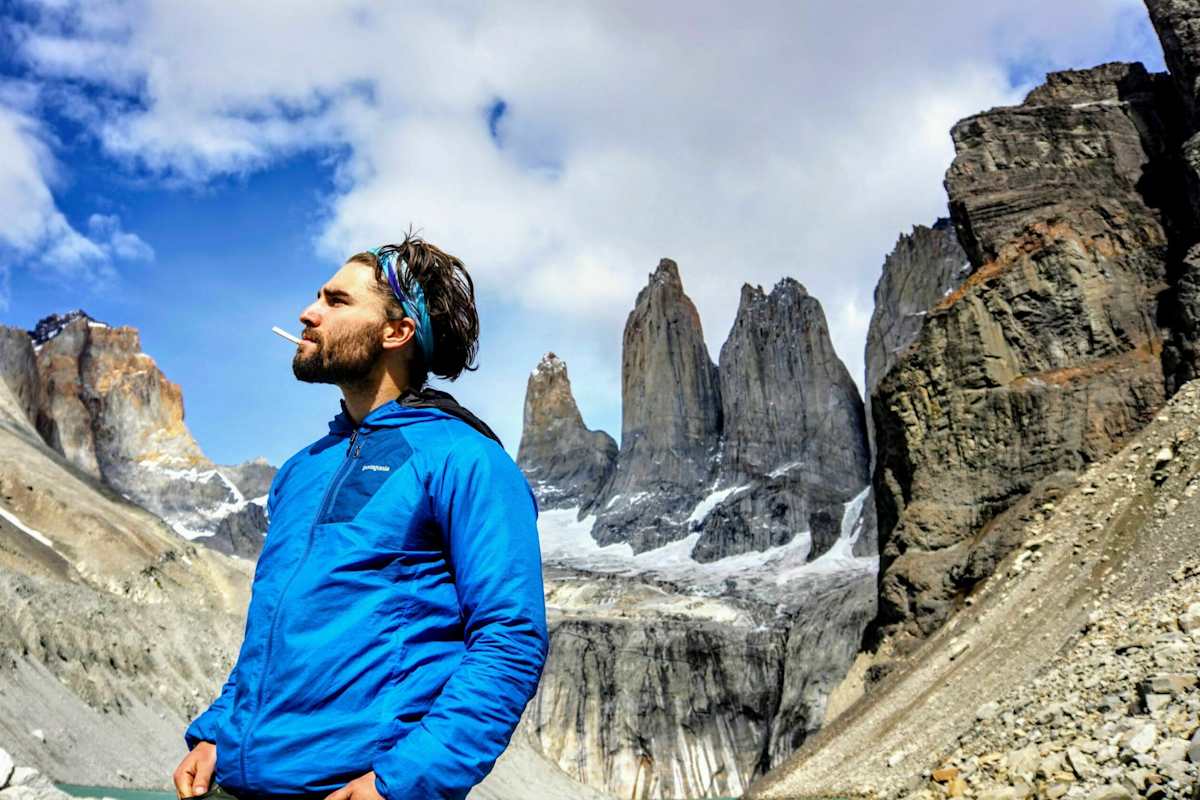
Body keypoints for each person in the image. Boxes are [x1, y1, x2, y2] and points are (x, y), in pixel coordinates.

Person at [172, 232, 549, 800]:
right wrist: (217, 733)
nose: (308, 312)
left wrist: (399, 784)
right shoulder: (301, 470)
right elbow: (274, 637)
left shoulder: (466, 460)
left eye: (336, 301)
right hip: (234, 784)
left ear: (396, 332)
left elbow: (510, 639)